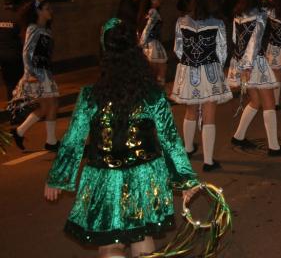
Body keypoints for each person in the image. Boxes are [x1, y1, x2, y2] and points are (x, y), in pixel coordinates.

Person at [44, 18, 199, 258]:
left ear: (105, 52)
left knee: (110, 242)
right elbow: (170, 140)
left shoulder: (90, 95)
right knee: (141, 237)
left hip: (104, 179)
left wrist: (58, 177)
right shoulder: (152, 94)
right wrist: (185, 178)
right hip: (145, 176)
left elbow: (73, 140)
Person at [227, 0, 281, 156]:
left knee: (255, 101)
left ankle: (239, 136)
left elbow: (235, 39)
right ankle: (274, 147)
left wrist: (240, 64)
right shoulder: (261, 14)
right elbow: (255, 41)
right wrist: (248, 65)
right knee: (269, 103)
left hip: (240, 60)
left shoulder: (238, 14)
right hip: (254, 62)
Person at [171, 0, 232, 171]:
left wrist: (190, 63)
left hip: (189, 71)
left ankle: (188, 149)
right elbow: (222, 51)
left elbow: (178, 49)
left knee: (190, 110)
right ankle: (208, 161)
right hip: (210, 72)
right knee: (209, 115)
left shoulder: (181, 21)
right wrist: (216, 68)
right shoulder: (218, 23)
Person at [10, 0, 59, 151]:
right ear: (38, 11)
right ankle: (51, 142)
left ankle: (19, 132)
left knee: (46, 107)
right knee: (52, 104)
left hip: (44, 71)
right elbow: (26, 53)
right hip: (37, 73)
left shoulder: (45, 29)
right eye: (46, 9)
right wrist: (31, 74)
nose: (50, 11)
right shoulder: (33, 28)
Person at [138, 0, 168, 85]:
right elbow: (147, 30)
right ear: (151, 0)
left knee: (153, 75)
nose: (161, 0)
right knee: (160, 74)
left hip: (149, 46)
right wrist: (140, 45)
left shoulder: (145, 12)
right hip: (153, 46)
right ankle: (159, 96)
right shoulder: (153, 12)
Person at [0, 0, 24, 101]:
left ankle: (11, 104)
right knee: (19, 81)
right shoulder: (19, 17)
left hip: (2, 55)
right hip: (16, 55)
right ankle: (19, 106)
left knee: (9, 82)